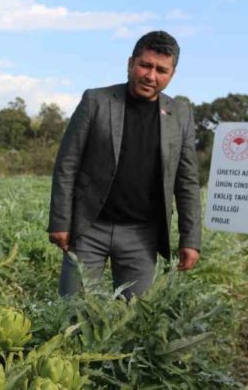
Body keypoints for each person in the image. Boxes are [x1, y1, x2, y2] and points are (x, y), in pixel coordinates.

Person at [48, 30, 201, 299]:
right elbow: (67, 164)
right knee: (71, 311)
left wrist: (190, 240)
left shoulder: (180, 115)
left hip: (142, 236)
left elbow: (187, 181)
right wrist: (60, 221)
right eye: (145, 65)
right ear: (131, 63)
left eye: (161, 70)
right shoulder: (96, 101)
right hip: (88, 228)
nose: (151, 76)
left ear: (172, 74)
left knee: (131, 322)